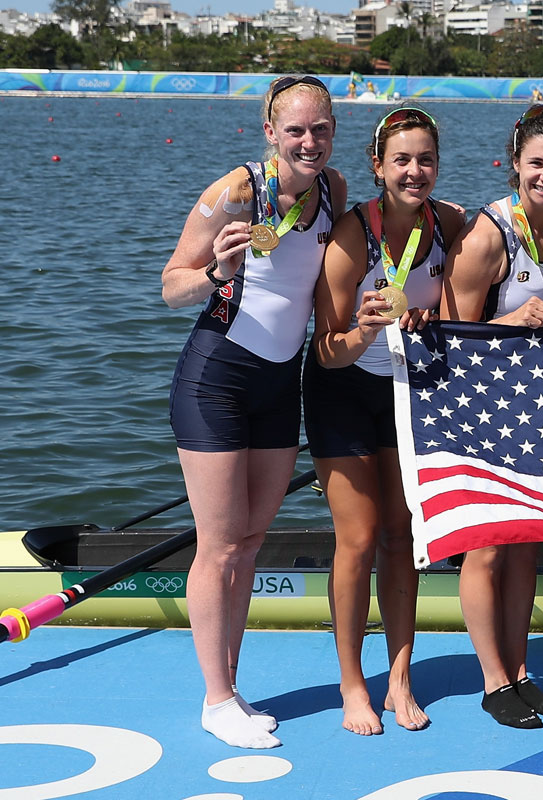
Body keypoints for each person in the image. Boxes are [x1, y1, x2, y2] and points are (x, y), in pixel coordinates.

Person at [161, 75, 346, 749]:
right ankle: (216, 700)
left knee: (248, 544)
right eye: (294, 130)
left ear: (332, 132)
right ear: (270, 133)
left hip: (279, 384)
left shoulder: (335, 191)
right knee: (218, 545)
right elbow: (169, 287)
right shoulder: (235, 191)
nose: (308, 141)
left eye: (319, 129)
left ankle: (232, 687)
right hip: (215, 380)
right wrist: (215, 272)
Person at [441, 103, 543, 729]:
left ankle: (522, 670)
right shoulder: (489, 233)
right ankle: (492, 680)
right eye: (536, 164)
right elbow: (452, 330)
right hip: (487, 402)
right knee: (486, 550)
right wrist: (510, 321)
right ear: (514, 165)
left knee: (528, 547)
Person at [307, 106, 465, 736]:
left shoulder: (448, 222)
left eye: (425, 159)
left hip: (407, 390)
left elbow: (474, 285)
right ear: (378, 167)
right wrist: (365, 328)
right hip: (340, 388)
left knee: (405, 537)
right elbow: (325, 347)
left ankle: (400, 678)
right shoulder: (351, 235)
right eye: (401, 160)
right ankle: (353, 684)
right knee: (360, 535)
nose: (414, 170)